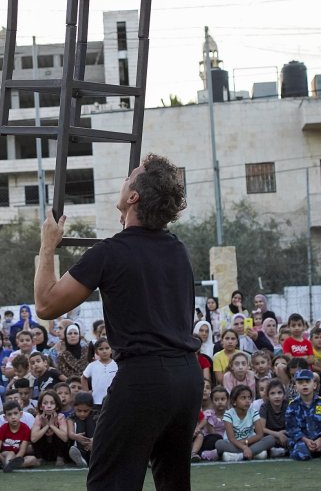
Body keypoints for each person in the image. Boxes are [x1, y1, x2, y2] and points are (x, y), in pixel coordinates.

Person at [34, 154, 200, 490]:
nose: (124, 180)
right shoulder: (177, 249)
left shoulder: (109, 252)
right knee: (173, 484)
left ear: (134, 197)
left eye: (130, 177)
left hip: (144, 379)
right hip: (187, 379)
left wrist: (47, 245)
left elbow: (46, 305)